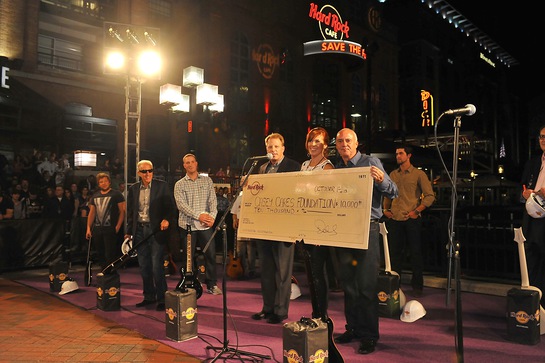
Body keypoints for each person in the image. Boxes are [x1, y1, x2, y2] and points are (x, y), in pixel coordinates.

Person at [333, 128, 398, 355]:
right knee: (349, 286)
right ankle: (353, 328)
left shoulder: (371, 162)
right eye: (340, 141)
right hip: (343, 230)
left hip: (367, 228)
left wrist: (381, 181)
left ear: (357, 142)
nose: (344, 144)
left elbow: (393, 191)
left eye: (348, 140)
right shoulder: (338, 168)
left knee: (367, 286)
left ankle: (369, 335)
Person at [251, 133, 301, 324]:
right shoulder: (262, 168)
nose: (272, 150)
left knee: (282, 271)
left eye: (276, 147)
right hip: (264, 227)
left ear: (283, 148)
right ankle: (267, 307)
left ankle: (280, 311)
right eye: (270, 147)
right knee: (266, 270)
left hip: (284, 227)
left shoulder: (293, 166)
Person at [382, 145, 435, 297]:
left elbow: (430, 195)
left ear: (409, 155)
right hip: (395, 218)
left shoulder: (418, 174)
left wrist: (417, 211)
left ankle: (417, 286)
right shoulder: (393, 174)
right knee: (394, 254)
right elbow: (387, 193)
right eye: (397, 153)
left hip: (411, 218)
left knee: (415, 253)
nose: (398, 156)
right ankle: (395, 285)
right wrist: (386, 210)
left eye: (401, 153)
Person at [126, 160, 176, 311]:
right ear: (139, 173)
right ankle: (149, 296)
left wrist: (167, 219)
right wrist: (128, 231)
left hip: (156, 231)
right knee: (144, 266)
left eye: (150, 170)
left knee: (156, 266)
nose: (148, 174)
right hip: (139, 230)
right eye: (144, 171)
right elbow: (131, 213)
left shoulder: (162, 186)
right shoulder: (134, 189)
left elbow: (171, 207)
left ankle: (162, 299)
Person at [300, 127, 336, 319]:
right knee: (310, 272)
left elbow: (328, 199)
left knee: (318, 272)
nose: (314, 145)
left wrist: (321, 231)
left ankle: (321, 314)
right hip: (304, 224)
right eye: (311, 141)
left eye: (318, 142)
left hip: (320, 226)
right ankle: (315, 312)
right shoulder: (305, 165)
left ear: (325, 145)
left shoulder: (327, 167)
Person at [174, 153, 221, 295]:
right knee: (188, 257)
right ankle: (191, 283)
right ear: (184, 166)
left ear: (196, 163)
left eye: (192, 162)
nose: (190, 164)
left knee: (211, 254)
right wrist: (198, 216)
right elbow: (181, 205)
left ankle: (212, 284)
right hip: (187, 225)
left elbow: (213, 201)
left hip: (205, 225)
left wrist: (212, 217)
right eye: (187, 162)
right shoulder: (179, 184)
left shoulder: (207, 181)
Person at [521, 124, 545, 307]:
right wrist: (525, 195)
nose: (543, 140)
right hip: (532, 222)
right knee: (532, 265)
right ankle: (534, 309)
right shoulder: (533, 162)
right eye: (541, 137)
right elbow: (520, 191)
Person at [86, 173, 126, 273]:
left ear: (109, 182)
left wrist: (118, 226)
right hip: (98, 229)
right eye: (101, 182)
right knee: (100, 253)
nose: (103, 183)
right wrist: (88, 228)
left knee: (110, 253)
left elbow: (122, 211)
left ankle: (112, 274)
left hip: (111, 229)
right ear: (98, 184)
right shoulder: (95, 195)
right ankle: (104, 273)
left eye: (105, 181)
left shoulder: (116, 194)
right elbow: (92, 213)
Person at [231, 189, 257, 279]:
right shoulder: (239, 198)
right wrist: (234, 220)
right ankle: (241, 270)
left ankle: (251, 271)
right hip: (240, 230)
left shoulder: (255, 199)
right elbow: (234, 212)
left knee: (251, 253)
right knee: (240, 252)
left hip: (251, 230)